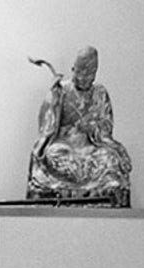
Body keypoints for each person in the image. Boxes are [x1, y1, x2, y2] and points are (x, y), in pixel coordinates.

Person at [27, 46, 132, 206]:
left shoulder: (100, 93)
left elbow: (106, 125)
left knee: (110, 158)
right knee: (52, 154)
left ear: (95, 73)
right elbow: (48, 126)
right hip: (65, 145)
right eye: (80, 73)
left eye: (90, 74)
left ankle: (102, 186)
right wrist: (54, 101)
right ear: (73, 69)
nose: (84, 78)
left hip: (91, 146)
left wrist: (91, 127)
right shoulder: (62, 90)